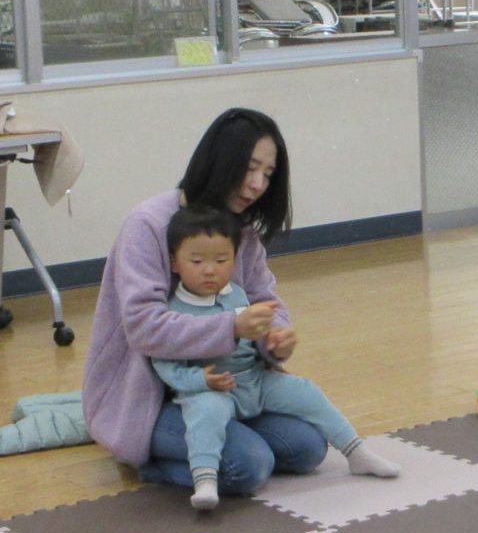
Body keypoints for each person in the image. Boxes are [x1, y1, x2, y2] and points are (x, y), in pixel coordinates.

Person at [84, 107, 395, 497]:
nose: (257, 184)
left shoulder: (241, 230)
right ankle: (149, 462)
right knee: (248, 466)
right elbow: (144, 327)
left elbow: (265, 298)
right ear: (219, 162)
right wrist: (232, 326)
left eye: (268, 174)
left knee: (307, 449)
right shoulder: (147, 224)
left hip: (234, 387)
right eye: (250, 169)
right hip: (154, 398)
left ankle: (225, 439)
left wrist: (275, 336)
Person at [152, 206, 394, 512]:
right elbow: (165, 365)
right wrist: (200, 380)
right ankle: (205, 479)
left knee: (305, 391)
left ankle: (355, 451)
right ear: (175, 262)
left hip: (255, 380)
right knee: (206, 414)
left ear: (234, 260)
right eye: (197, 262)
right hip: (212, 389)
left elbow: (256, 341)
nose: (210, 270)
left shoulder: (237, 295)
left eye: (221, 261)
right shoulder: (174, 310)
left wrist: (273, 343)